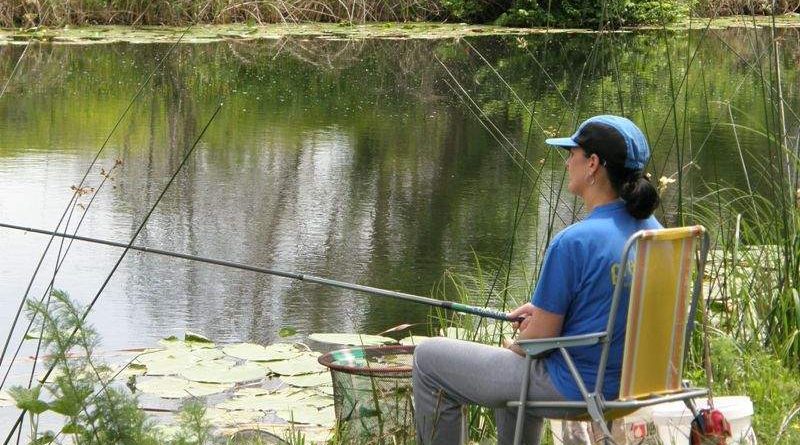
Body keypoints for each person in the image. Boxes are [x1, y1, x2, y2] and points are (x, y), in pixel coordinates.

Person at [412, 115, 663, 445]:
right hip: (640, 387)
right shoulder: (658, 234)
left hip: (578, 386)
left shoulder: (574, 241)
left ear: (592, 164)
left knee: (429, 359)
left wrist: (519, 342)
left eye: (571, 153)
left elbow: (539, 340)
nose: (566, 162)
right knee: (514, 380)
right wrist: (545, 309)